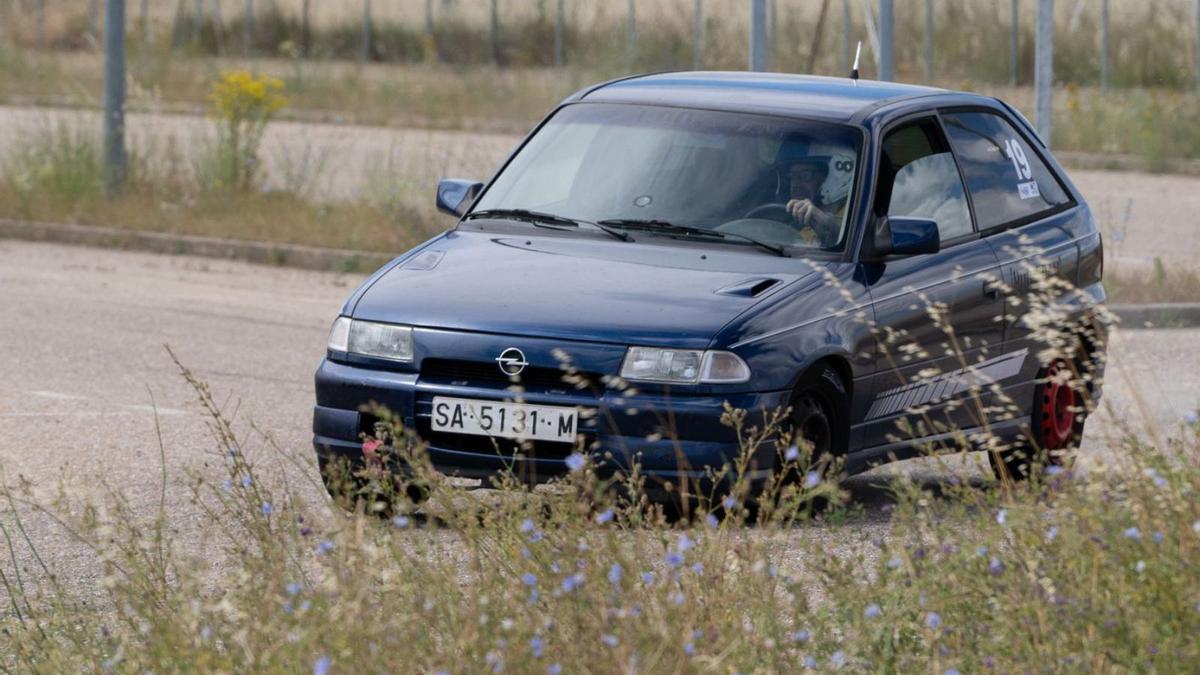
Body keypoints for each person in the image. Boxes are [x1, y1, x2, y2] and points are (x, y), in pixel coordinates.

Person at [778, 142, 857, 246]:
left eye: (804, 175)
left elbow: (853, 240)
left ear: (838, 176)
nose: (794, 185)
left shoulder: (856, 215)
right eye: (792, 176)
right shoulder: (794, 218)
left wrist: (823, 222)